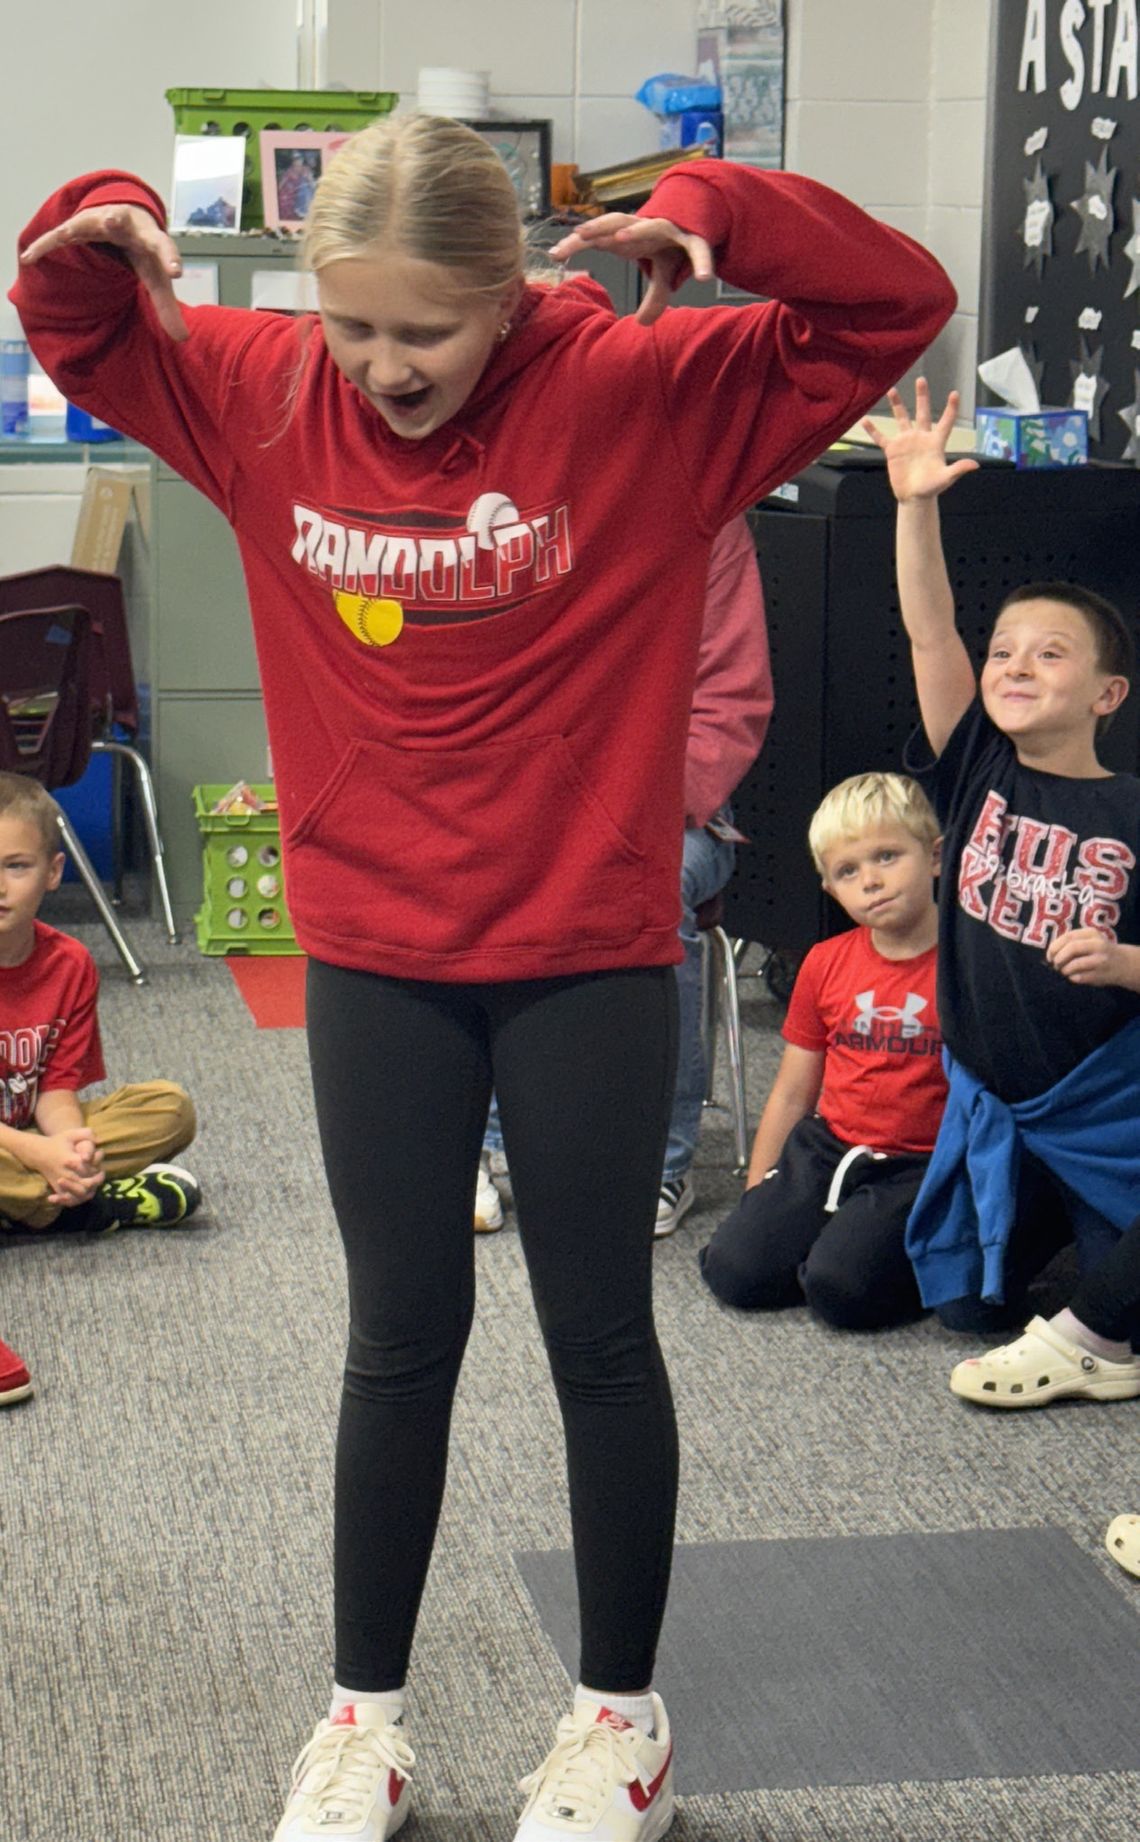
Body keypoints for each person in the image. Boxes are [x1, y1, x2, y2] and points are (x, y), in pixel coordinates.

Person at [14, 116, 954, 1841]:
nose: (381, 370)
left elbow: (898, 301)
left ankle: (619, 1724)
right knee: (398, 1336)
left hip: (587, 949)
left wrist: (711, 211)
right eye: (351, 326)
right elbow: (73, 318)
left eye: (423, 333)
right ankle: (362, 1721)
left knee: (598, 1331)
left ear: (512, 288)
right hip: (375, 955)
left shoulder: (634, 391)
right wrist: (110, 216)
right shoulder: (264, 387)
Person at [864, 379, 1140, 1411]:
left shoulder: (1131, 809)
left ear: (1107, 695)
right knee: (894, 1297)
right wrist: (915, 503)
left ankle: (1086, 1305)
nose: (1016, 664)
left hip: (1105, 1108)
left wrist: (1121, 964)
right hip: (998, 1107)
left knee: (1111, 1297)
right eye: (1007, 651)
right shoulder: (978, 761)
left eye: (1051, 653)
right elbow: (932, 631)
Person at [479, 513, 772, 1238]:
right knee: (479, 875)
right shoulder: (525, 507)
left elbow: (728, 704)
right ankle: (482, 1143)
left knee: (648, 890)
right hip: (528, 794)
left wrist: (618, 810)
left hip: (669, 813)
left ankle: (660, 1165)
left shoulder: (707, 519)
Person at [699, 772, 946, 1327]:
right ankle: (836, 1242)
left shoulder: (965, 964)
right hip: (830, 1147)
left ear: (934, 857)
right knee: (736, 1270)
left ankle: (862, 1253)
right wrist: (758, 1191)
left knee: (842, 1292)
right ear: (831, 889)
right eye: (848, 872)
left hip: (919, 1164)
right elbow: (792, 1091)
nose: (872, 882)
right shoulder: (826, 962)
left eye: (887, 856)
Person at [0, 775, 202, 1403]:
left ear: (54, 872)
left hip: (27, 1139)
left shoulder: (70, 964)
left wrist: (72, 1150)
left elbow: (57, 1091)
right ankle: (84, 1207)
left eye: (16, 864)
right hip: (15, 1150)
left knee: (169, 1108)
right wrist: (41, 1157)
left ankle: (54, 1198)